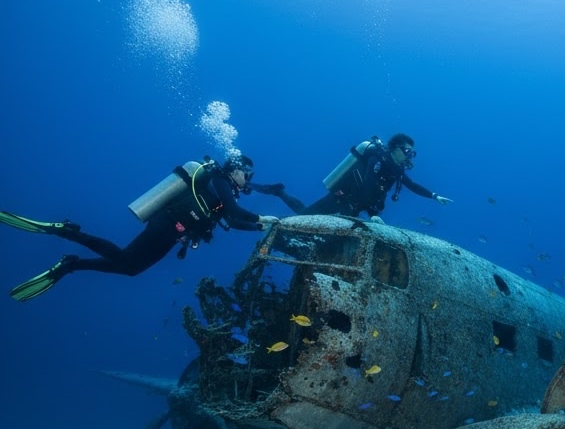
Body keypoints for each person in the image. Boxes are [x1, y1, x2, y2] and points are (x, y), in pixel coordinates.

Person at [0, 154, 278, 301]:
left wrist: (257, 229)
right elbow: (236, 212)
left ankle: (71, 262)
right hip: (166, 225)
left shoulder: (224, 189)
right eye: (247, 174)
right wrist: (263, 219)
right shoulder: (219, 181)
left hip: (174, 232)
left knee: (131, 269)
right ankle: (68, 235)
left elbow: (232, 221)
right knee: (124, 258)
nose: (248, 180)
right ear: (236, 169)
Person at [249, 133, 452, 220]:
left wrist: (435, 196)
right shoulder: (376, 158)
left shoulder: (396, 169)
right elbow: (367, 184)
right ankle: (279, 191)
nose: (409, 156)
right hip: (341, 198)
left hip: (356, 208)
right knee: (304, 217)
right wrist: (373, 215)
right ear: (394, 148)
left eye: (412, 153)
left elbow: (412, 185)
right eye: (407, 151)